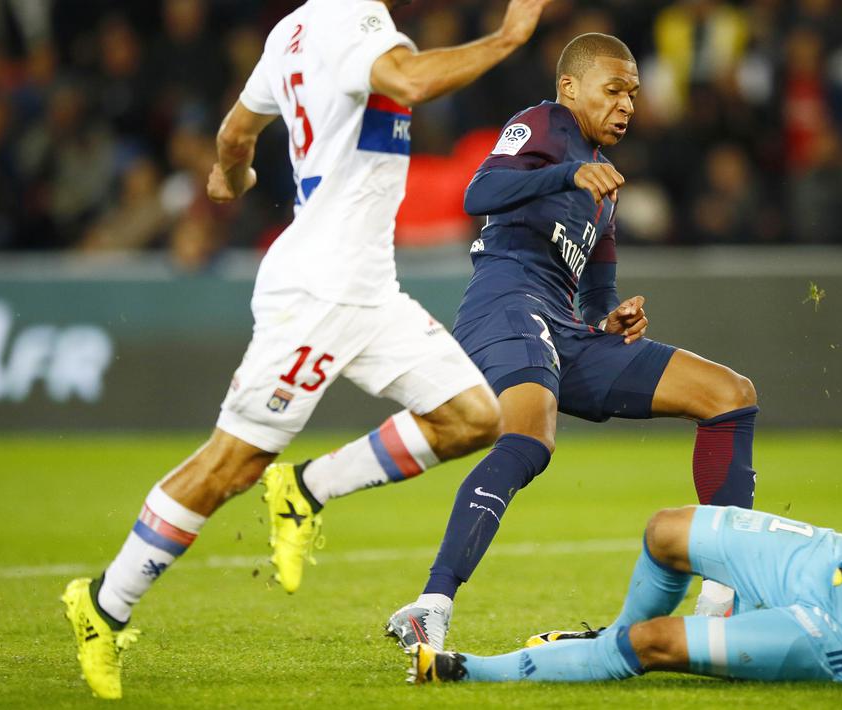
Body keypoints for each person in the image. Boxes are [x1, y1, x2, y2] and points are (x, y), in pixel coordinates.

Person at [60, 0, 554, 699]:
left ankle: (305, 489)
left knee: (471, 416)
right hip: (318, 291)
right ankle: (103, 606)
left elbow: (236, 131)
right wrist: (508, 38)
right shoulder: (352, 20)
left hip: (367, 288)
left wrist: (232, 176)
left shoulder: (288, 32)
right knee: (232, 462)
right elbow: (408, 82)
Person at [372, 32, 760, 651]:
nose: (628, 105)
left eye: (633, 93)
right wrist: (567, 172)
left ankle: (721, 599)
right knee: (530, 438)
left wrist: (616, 317)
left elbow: (598, 291)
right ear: (570, 88)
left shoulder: (603, 188)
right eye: (614, 91)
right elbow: (479, 193)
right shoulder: (546, 125)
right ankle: (430, 606)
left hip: (565, 325)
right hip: (504, 301)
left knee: (728, 394)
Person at [409, 412, 842, 688]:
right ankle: (602, 643)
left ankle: (474, 671)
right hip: (825, 565)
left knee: (656, 643)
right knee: (667, 529)